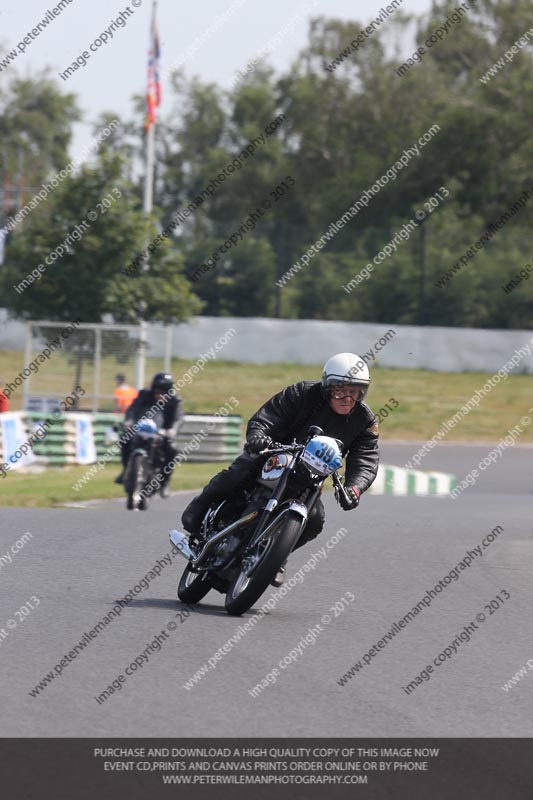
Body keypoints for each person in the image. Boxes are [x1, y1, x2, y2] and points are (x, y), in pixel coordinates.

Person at [181, 353, 379, 584]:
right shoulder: (301, 393)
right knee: (239, 472)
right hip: (272, 455)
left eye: (355, 391)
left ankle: (276, 556)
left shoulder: (365, 420)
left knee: (315, 521)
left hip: (310, 480)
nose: (347, 398)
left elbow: (366, 457)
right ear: (327, 386)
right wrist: (259, 436)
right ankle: (197, 509)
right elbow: (266, 417)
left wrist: (354, 488)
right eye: (340, 390)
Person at [115, 372, 183, 498]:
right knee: (125, 438)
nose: (161, 394)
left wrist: (172, 430)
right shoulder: (144, 394)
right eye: (158, 391)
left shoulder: (175, 400)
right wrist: (129, 422)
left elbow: (178, 419)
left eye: (165, 391)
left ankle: (165, 481)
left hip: (162, 432)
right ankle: (125, 470)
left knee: (172, 448)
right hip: (142, 428)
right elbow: (132, 409)